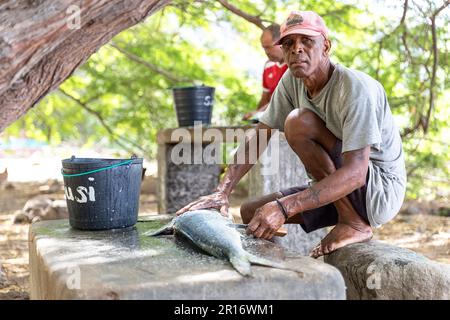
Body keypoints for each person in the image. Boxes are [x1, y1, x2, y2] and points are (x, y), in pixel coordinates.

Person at [177, 10, 406, 258]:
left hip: (377, 191)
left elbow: (355, 175)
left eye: (306, 41)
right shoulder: (291, 81)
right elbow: (260, 135)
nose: (296, 49)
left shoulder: (353, 88)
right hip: (337, 188)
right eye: (288, 43)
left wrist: (284, 208)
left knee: (298, 122)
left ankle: (354, 224)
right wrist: (223, 191)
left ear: (326, 46)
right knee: (252, 214)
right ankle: (279, 279)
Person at [243, 24, 287, 122]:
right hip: (270, 117)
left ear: (281, 43)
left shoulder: (295, 65)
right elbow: (265, 98)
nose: (266, 52)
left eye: (269, 47)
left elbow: (284, 98)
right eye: (264, 48)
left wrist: (260, 113)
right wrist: (254, 114)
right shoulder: (268, 66)